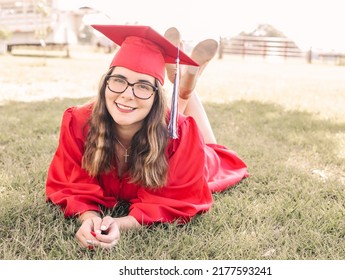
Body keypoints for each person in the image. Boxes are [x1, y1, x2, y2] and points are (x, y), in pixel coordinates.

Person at [45, 24, 249, 250]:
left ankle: (185, 91)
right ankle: (180, 83)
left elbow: (176, 198)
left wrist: (121, 223)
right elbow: (71, 182)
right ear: (105, 83)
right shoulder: (79, 122)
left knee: (214, 149)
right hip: (160, 119)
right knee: (167, 117)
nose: (127, 94)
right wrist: (89, 217)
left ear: (156, 97)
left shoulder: (180, 133)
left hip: (194, 156)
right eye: (119, 80)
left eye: (143, 86)